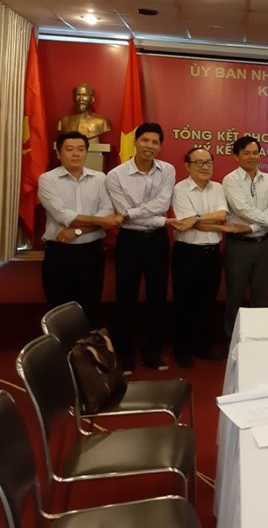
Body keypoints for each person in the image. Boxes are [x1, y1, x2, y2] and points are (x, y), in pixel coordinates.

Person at [169, 147, 248, 367]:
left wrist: (195, 219)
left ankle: (203, 347)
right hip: (187, 253)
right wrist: (210, 224)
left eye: (208, 162)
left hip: (212, 253)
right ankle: (182, 351)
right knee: (184, 303)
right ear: (187, 166)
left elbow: (221, 215)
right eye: (199, 163)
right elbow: (183, 222)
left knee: (207, 302)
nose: (205, 167)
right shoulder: (180, 189)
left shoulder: (218, 188)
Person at [105, 122, 175, 371]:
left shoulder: (167, 170)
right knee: (125, 298)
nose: (150, 146)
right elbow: (121, 211)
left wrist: (133, 213)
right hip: (130, 241)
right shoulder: (116, 175)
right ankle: (125, 357)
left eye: (155, 142)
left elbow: (162, 204)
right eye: (145, 140)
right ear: (135, 142)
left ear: (160, 146)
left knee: (157, 298)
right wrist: (140, 214)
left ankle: (152, 355)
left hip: (157, 240)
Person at [37, 132, 123, 325]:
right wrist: (100, 222)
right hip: (59, 253)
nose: (76, 154)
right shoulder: (47, 180)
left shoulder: (100, 178)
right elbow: (63, 215)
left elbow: (107, 212)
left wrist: (77, 231)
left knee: (90, 307)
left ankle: (87, 345)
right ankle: (62, 346)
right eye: (69, 149)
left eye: (81, 149)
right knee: (59, 309)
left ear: (86, 152)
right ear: (58, 153)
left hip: (91, 253)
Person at [222, 136, 268, 334]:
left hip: (264, 245)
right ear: (236, 156)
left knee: (261, 296)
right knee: (235, 296)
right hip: (238, 246)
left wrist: (250, 228)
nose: (252, 157)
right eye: (246, 153)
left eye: (255, 152)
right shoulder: (230, 180)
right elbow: (243, 210)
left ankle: (258, 338)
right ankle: (232, 340)